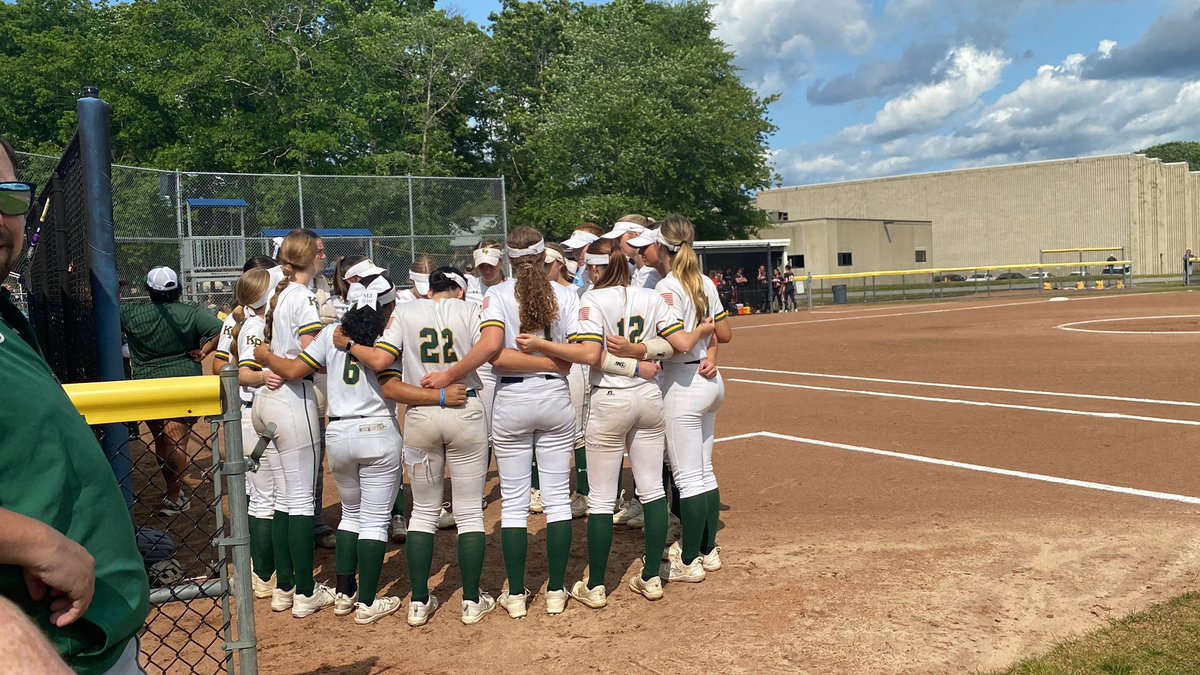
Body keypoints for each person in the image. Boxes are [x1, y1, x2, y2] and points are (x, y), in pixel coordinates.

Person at [0, 135, 150, 673]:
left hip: (89, 641)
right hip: (45, 652)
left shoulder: (4, 310)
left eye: (9, 196)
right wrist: (36, 542)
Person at [516, 236, 715, 608]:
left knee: (602, 499)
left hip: (610, 397)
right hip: (649, 396)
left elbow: (591, 356)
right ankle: (652, 576)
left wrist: (547, 347)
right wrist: (641, 357)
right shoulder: (652, 296)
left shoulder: (593, 298)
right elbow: (675, 346)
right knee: (653, 490)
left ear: (594, 268)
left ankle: (595, 585)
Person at [377, 267, 503, 625]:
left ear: (428, 290)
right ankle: (471, 601)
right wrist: (451, 374)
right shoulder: (472, 308)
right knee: (469, 512)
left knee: (422, 512)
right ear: (460, 291)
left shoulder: (405, 309)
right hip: (466, 406)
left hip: (421, 410)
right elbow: (492, 345)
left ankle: (418, 601)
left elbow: (383, 360)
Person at [613, 214, 733, 582]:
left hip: (683, 382)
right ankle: (708, 551)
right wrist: (708, 347)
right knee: (704, 472)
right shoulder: (704, 281)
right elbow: (724, 333)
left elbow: (677, 343)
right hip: (708, 379)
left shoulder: (667, 286)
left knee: (687, 479)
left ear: (662, 247)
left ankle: (689, 560)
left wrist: (639, 347)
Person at [480, 226, 579, 618]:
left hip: (513, 400)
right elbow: (572, 357)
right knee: (556, 500)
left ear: (509, 259)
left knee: (517, 503)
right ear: (543, 258)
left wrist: (544, 360)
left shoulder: (497, 295)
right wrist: (552, 363)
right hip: (555, 395)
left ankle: (518, 595)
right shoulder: (567, 294)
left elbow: (497, 358)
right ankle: (556, 591)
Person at [252, 228, 331, 618]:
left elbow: (266, 349)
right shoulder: (301, 296)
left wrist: (268, 358)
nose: (324, 255)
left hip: (267, 402)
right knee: (299, 500)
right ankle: (304, 591)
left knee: (283, 498)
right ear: (313, 256)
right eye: (320, 251)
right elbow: (309, 357)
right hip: (291, 400)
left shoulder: (276, 291)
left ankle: (284, 587)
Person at [120, 265, 223, 515]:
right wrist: (205, 350)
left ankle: (174, 491)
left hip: (148, 384)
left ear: (148, 289)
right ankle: (175, 493)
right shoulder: (191, 313)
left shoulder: (133, 313)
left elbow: (108, 315)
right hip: (184, 383)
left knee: (161, 439)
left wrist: (116, 291)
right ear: (177, 289)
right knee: (177, 442)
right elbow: (221, 329)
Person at [229, 267, 287, 601]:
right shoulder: (253, 325)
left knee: (266, 498)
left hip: (254, 418)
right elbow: (241, 373)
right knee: (268, 499)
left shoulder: (251, 321)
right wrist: (267, 375)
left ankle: (261, 570)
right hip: (254, 418)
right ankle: (264, 574)